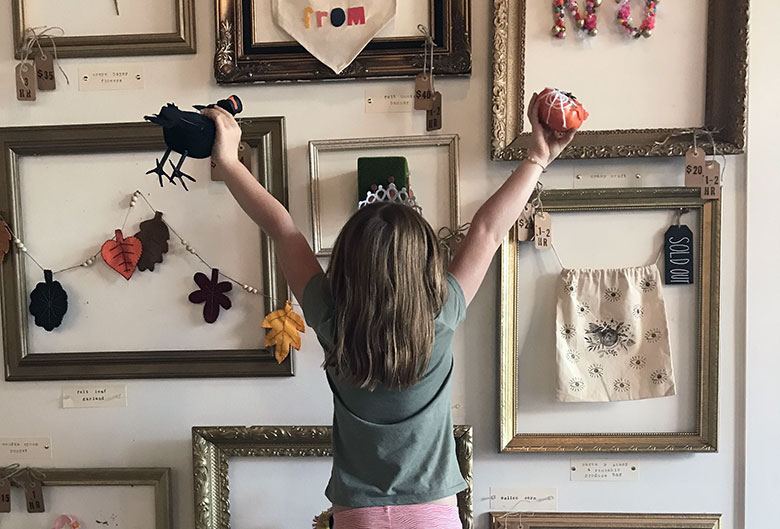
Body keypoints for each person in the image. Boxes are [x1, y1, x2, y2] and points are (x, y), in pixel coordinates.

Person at [203, 92, 575, 529]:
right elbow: (489, 230)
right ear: (425, 262)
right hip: (432, 513)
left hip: (358, 514)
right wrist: (536, 157)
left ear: (347, 260)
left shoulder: (331, 316)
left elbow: (282, 229)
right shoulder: (442, 313)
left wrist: (228, 163)